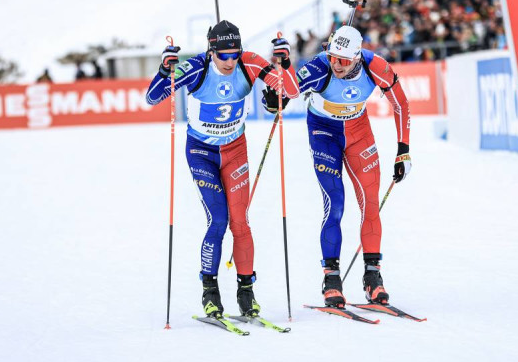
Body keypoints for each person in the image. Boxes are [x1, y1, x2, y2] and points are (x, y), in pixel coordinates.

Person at [145, 20, 297, 317]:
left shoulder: (249, 62)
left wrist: (286, 62)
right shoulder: (196, 67)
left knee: (240, 222)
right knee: (218, 219)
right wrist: (164, 70)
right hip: (201, 153)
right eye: (223, 55)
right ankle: (210, 291)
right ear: (211, 51)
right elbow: (153, 97)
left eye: (234, 54)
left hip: (235, 151)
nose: (230, 61)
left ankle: (246, 292)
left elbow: (290, 90)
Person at [266, 25, 411, 308]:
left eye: (343, 60)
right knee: (335, 203)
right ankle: (331, 278)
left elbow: (401, 104)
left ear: (357, 57)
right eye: (332, 57)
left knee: (370, 201)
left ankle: (373, 277)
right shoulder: (320, 67)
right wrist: (279, 87)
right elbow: (291, 91)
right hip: (324, 133)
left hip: (358, 132)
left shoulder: (375, 66)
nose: (336, 64)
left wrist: (403, 150)